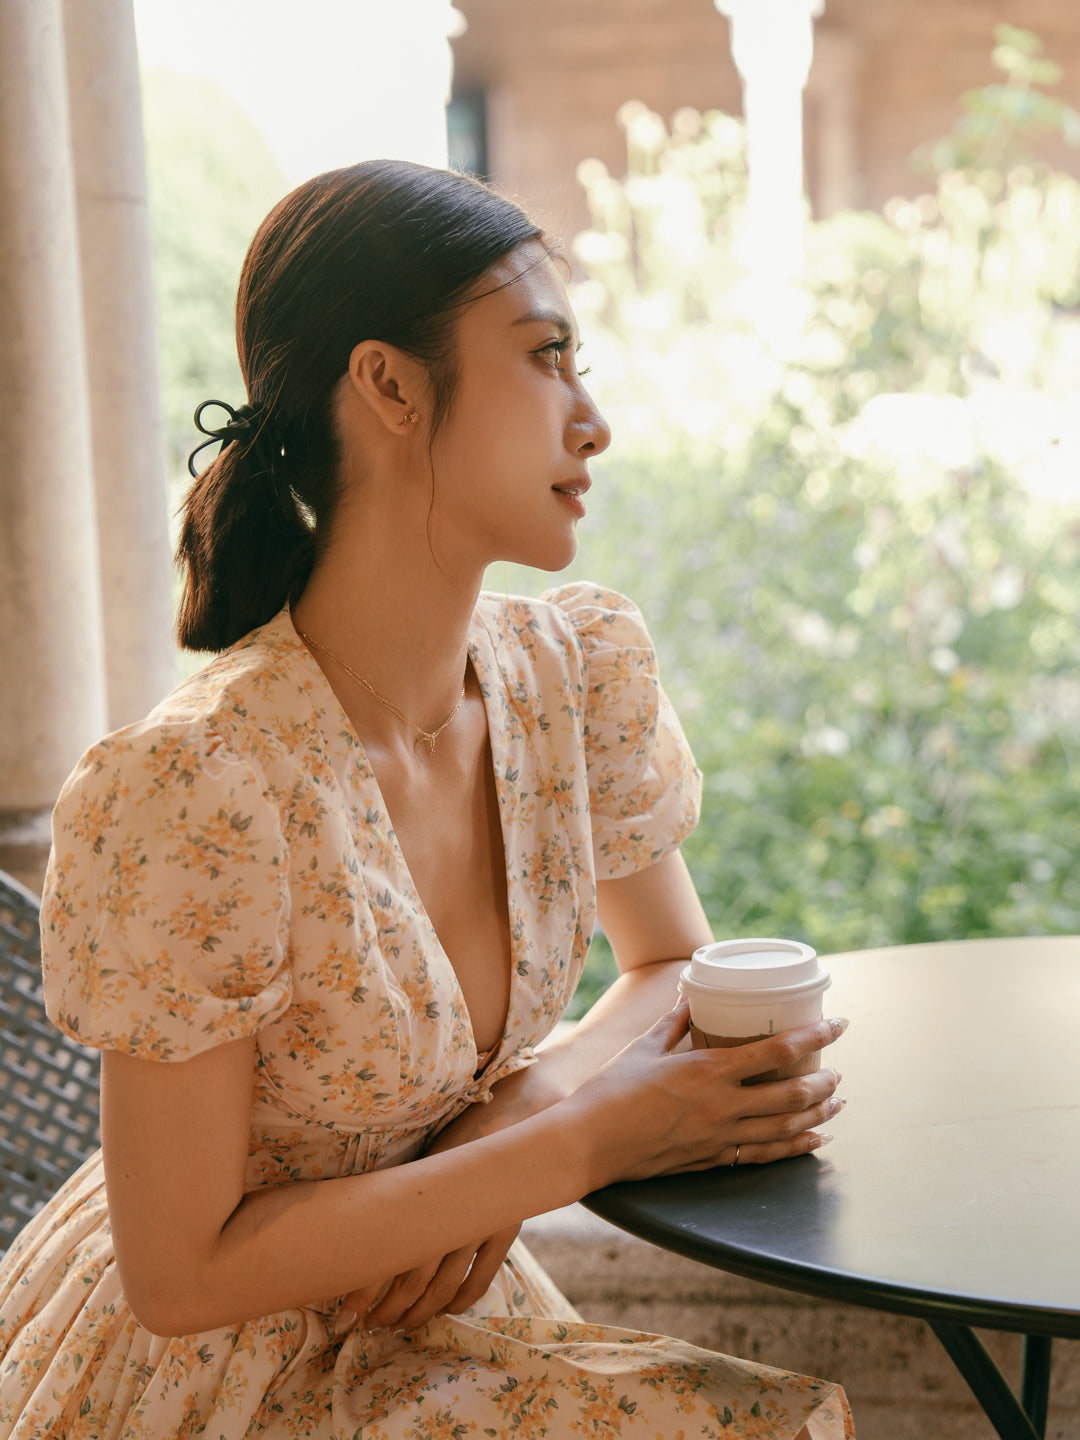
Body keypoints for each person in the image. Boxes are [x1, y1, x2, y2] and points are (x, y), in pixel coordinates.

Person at [0, 159, 851, 1439]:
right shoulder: (196, 786)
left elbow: (669, 962)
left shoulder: (571, 677)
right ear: (390, 384)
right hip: (215, 1380)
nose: (592, 416)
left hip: (434, 1303)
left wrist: (507, 1129)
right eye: (545, 355)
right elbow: (179, 1278)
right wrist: (585, 1145)